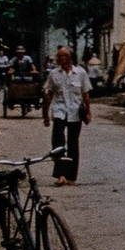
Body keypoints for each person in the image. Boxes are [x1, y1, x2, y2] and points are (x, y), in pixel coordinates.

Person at [41, 46, 90, 185]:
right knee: (58, 143)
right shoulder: (54, 74)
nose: (58, 58)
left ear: (69, 57)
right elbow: (49, 94)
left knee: (73, 144)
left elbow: (85, 94)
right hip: (59, 112)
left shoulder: (80, 73)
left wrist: (88, 112)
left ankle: (71, 176)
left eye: (61, 56)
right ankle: (60, 174)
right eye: (58, 56)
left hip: (75, 112)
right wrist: (45, 114)